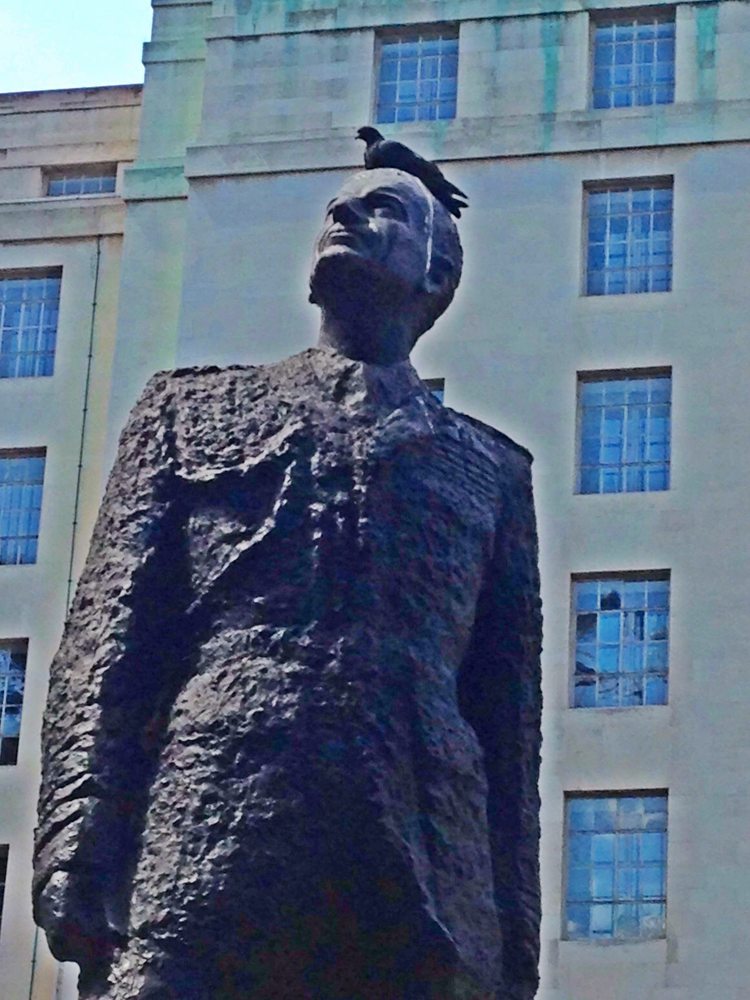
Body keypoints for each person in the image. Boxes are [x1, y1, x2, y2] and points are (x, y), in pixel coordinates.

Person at [34, 168, 542, 1000]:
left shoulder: (489, 471)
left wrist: (513, 931)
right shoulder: (186, 413)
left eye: (383, 209)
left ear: (436, 276)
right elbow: (108, 642)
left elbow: (506, 718)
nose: (343, 212)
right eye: (340, 204)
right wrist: (76, 838)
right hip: (202, 832)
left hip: (422, 856)